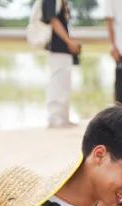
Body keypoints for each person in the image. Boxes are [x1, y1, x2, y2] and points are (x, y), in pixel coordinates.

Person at [42, 0, 82, 128]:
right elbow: (52, 20)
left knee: (64, 84)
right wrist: (68, 41)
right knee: (57, 83)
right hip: (57, 47)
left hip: (64, 50)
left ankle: (64, 117)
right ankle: (54, 118)